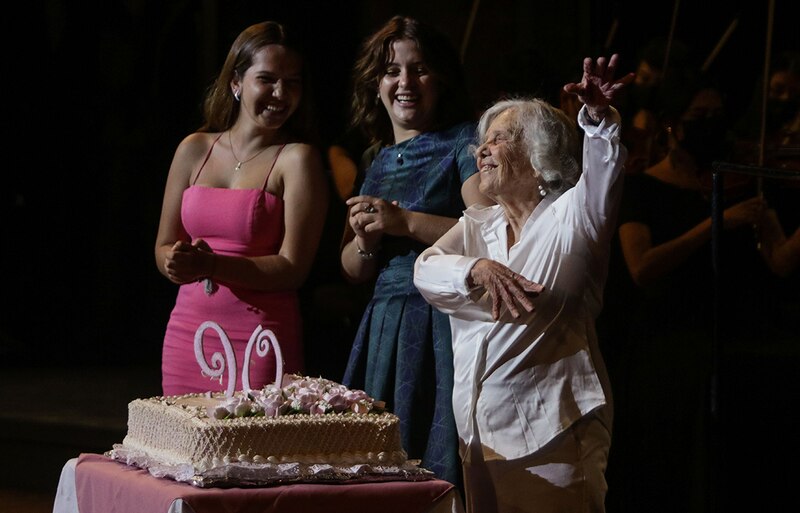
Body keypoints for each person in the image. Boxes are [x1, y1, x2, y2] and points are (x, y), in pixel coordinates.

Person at [413, 55, 634, 513]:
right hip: (477, 437)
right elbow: (425, 270)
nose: (482, 150)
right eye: (482, 140)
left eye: (499, 138)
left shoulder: (574, 217)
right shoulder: (479, 226)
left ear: (540, 156)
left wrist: (597, 119)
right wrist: (475, 270)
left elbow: (603, 172)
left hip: (552, 436)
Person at [603, 74, 767, 513]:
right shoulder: (641, 187)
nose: (713, 124)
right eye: (701, 116)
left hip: (727, 342)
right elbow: (642, 267)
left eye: (718, 116)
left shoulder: (735, 182)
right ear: (673, 124)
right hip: (666, 348)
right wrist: (713, 224)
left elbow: (777, 261)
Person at [339, 15, 490, 488]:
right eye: (391, 70)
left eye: (419, 68)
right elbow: (352, 269)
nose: (404, 82)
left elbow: (489, 232)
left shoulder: (464, 142)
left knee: (433, 465)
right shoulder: (375, 158)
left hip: (442, 322)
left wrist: (404, 222)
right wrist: (366, 242)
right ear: (376, 83)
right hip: (385, 322)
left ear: (440, 78)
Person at [154, 21, 328, 395]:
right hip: (189, 331)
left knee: (251, 452)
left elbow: (292, 268)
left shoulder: (297, 159)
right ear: (236, 82)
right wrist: (174, 261)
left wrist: (211, 265)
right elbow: (163, 245)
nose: (281, 93)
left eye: (292, 82)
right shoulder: (193, 149)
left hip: (259, 339)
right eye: (267, 79)